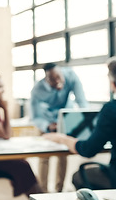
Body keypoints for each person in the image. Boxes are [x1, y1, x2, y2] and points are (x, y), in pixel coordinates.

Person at [43, 58, 116, 190]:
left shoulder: (111, 110)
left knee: (78, 176)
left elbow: (88, 150)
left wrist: (62, 139)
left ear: (113, 84)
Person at [30, 63, 89, 192]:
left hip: (65, 121)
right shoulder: (37, 90)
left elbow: (82, 101)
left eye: (59, 77)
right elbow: (35, 116)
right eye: (53, 79)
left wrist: (87, 120)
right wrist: (48, 126)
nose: (57, 81)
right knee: (44, 156)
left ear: (62, 73)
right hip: (46, 122)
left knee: (63, 155)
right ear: (46, 79)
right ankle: (43, 192)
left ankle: (59, 189)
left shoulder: (71, 76)